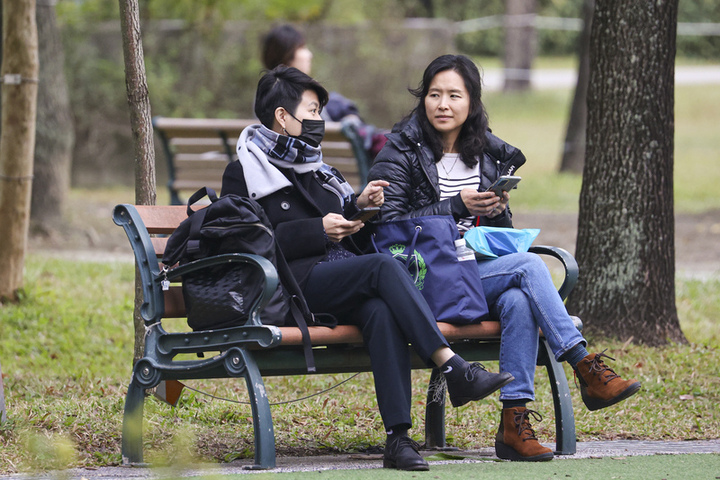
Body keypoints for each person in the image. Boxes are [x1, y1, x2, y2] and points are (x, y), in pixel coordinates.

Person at [221, 65, 514, 471]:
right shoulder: (245, 172)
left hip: (334, 279)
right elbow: (247, 241)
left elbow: (348, 227)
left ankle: (398, 439)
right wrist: (317, 230)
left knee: (380, 310)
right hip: (287, 288)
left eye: (321, 110)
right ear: (282, 117)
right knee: (379, 269)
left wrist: (361, 208)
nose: (320, 120)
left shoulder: (318, 171)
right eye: (312, 110)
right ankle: (452, 366)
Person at [367, 54, 642, 462]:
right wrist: (454, 206)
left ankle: (514, 423)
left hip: (474, 272)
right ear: (422, 99)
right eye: (434, 94)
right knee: (530, 266)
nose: (443, 104)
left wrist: (497, 212)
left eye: (454, 95)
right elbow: (386, 226)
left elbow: (500, 238)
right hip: (422, 278)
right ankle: (584, 363)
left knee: (518, 301)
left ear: (472, 103)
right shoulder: (400, 151)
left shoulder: (485, 153)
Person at [260, 24, 387, 157]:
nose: (309, 54)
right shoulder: (301, 97)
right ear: (286, 54)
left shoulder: (263, 96)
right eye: (302, 48)